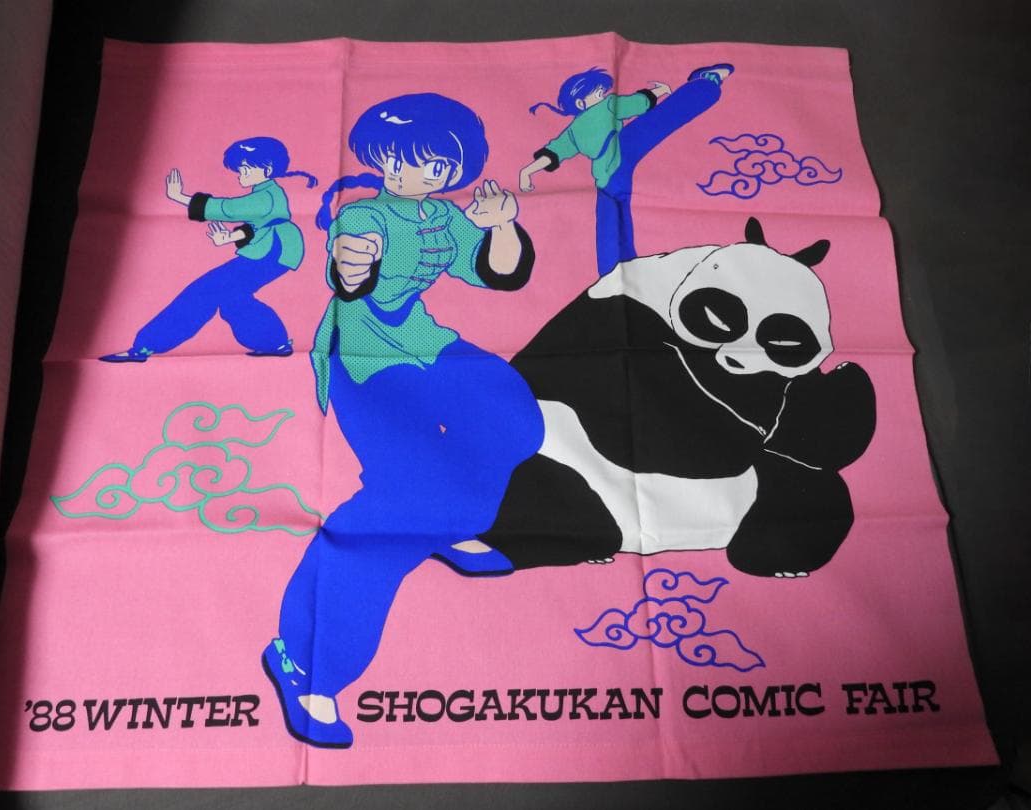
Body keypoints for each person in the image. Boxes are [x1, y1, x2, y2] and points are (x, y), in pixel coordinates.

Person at [262, 93, 544, 748]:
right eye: (397, 160)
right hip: (363, 358)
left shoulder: (444, 217)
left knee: (513, 420)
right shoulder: (364, 215)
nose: (408, 173)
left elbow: (499, 273)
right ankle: (304, 663)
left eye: (429, 163)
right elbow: (350, 274)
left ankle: (451, 522)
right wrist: (353, 264)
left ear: (452, 169)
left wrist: (503, 227)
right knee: (401, 495)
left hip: (421, 341)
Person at [100, 137, 316, 362]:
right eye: (239, 169)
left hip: (274, 250)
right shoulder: (267, 194)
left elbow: (229, 209)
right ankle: (274, 343)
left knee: (205, 290)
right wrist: (230, 237)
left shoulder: (266, 195)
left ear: (267, 169)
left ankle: (145, 346)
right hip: (274, 248)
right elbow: (257, 225)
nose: (239, 174)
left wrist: (180, 197)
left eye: (244, 169)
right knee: (232, 298)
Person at [519, 63, 733, 276]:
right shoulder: (604, 108)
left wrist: (527, 171)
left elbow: (554, 152)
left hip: (610, 167)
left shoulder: (574, 130)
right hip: (613, 167)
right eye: (598, 93)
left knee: (608, 226)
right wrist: (658, 91)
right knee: (659, 121)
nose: (603, 95)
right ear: (580, 102)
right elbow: (637, 104)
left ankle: (613, 275)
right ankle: (706, 83)